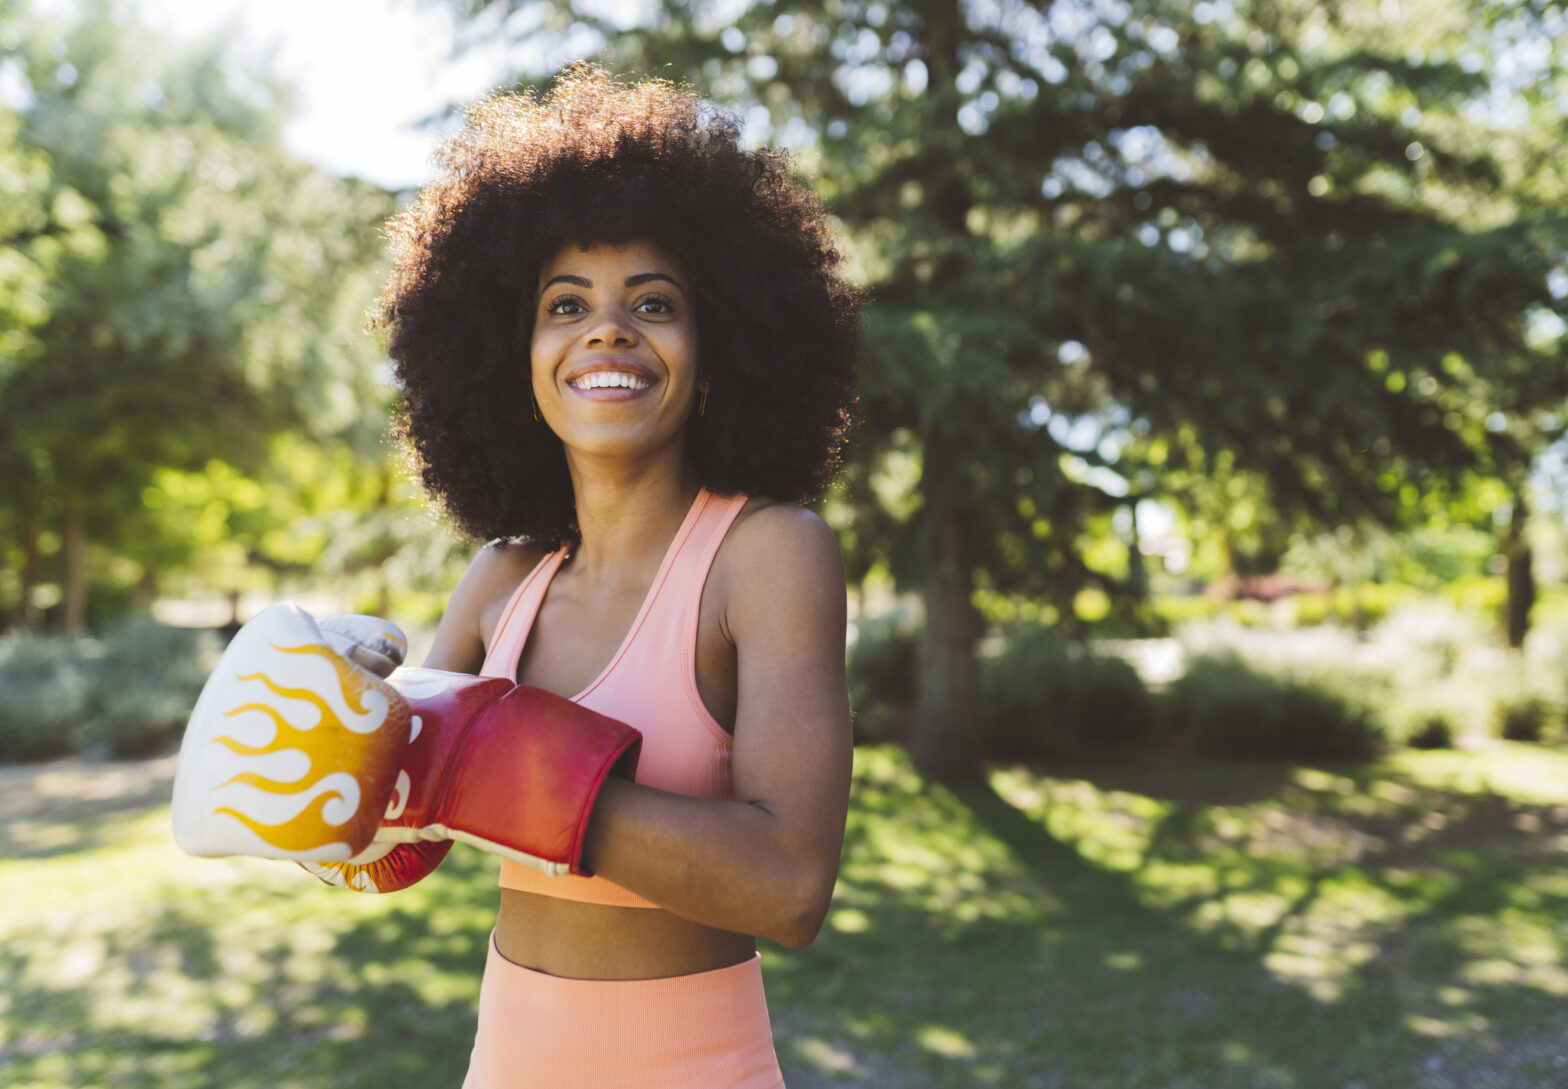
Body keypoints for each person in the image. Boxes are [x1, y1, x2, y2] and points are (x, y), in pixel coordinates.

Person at [373, 65, 861, 1087]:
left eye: (653, 302)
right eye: (565, 304)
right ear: (517, 358)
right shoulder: (502, 577)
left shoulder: (765, 555)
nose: (607, 329)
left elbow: (789, 885)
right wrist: (327, 761)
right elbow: (402, 831)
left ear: (715, 351)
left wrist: (506, 766)